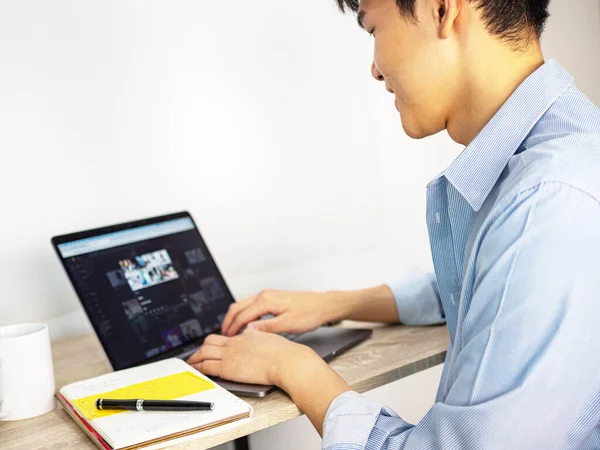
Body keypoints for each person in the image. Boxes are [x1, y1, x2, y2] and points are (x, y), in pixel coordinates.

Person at [188, 0, 600, 447]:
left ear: (441, 10)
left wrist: (295, 368)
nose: (375, 70)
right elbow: (487, 288)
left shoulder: (546, 203)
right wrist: (335, 305)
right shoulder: (564, 159)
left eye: (373, 30)